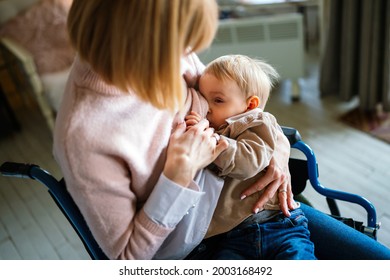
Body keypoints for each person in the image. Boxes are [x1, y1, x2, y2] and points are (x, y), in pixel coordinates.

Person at [53, 0, 390, 260]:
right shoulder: (86, 136)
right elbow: (129, 261)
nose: (187, 56)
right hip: (208, 240)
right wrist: (176, 176)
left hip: (266, 209)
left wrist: (277, 151)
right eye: (181, 44)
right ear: (140, 43)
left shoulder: (170, 53)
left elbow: (243, 105)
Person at [185, 54, 316, 259]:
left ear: (250, 105)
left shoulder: (255, 124)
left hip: (279, 225)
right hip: (232, 236)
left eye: (217, 100)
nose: (207, 108)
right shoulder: (218, 129)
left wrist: (210, 141)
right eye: (203, 99)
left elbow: (247, 163)